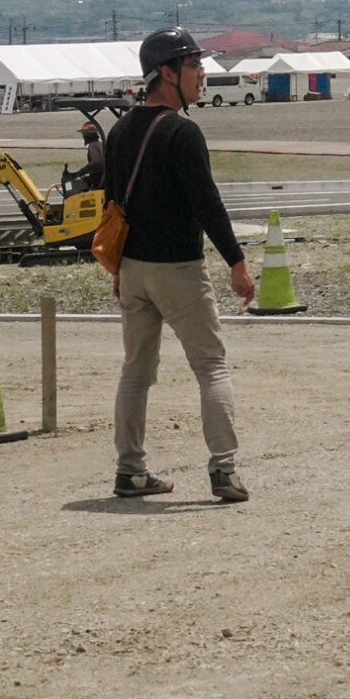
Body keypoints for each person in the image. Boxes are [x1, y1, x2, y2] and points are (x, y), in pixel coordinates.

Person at [105, 26, 255, 503]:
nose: (201, 73)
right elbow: (207, 204)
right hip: (179, 270)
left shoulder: (119, 130)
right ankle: (224, 470)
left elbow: (110, 203)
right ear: (167, 73)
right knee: (211, 366)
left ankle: (130, 471)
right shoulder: (182, 132)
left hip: (132, 268)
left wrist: (117, 271)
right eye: (193, 65)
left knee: (136, 370)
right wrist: (237, 263)